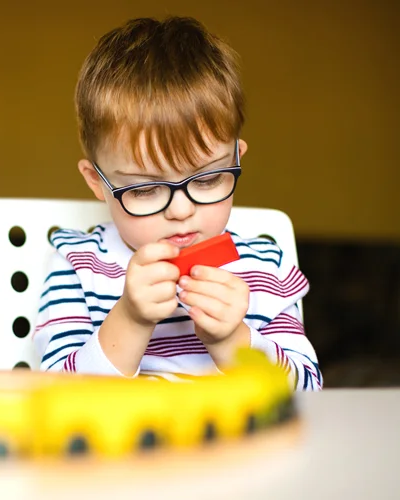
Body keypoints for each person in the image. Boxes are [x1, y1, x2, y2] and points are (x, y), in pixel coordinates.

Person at [33, 16, 322, 390]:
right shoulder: (79, 265)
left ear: (236, 159)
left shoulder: (266, 267)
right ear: (98, 183)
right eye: (144, 189)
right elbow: (57, 396)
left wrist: (232, 341)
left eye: (207, 179)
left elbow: (307, 394)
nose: (181, 211)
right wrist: (131, 320)